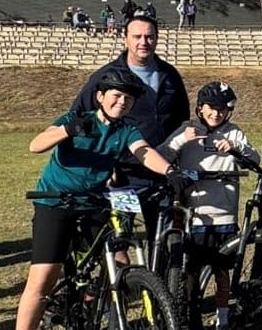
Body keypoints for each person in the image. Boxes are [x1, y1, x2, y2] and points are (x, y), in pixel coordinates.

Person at [0, 68, 187, 330]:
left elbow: (143, 152)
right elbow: (35, 145)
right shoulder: (76, 118)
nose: (122, 102)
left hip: (96, 201)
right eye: (116, 95)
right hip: (56, 201)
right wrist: (67, 129)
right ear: (100, 96)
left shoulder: (126, 128)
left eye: (128, 98)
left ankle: (108, 320)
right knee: (41, 282)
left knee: (121, 259)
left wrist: (170, 171)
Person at [159, 82, 258, 330]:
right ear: (200, 108)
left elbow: (255, 160)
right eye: (211, 108)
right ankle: (190, 322)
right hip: (195, 215)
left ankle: (222, 321)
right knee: (190, 272)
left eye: (223, 109)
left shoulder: (234, 133)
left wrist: (237, 149)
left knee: (221, 272)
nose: (216, 113)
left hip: (224, 213)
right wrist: (182, 140)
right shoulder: (187, 129)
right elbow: (161, 156)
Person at [71, 14, 190, 235]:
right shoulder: (106, 77)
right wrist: (104, 164)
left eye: (149, 36)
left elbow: (182, 119)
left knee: (163, 240)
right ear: (125, 38)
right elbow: (80, 120)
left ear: (157, 39)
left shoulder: (170, 75)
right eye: (137, 36)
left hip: (162, 172)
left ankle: (156, 271)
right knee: (120, 239)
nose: (143, 42)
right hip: (123, 177)